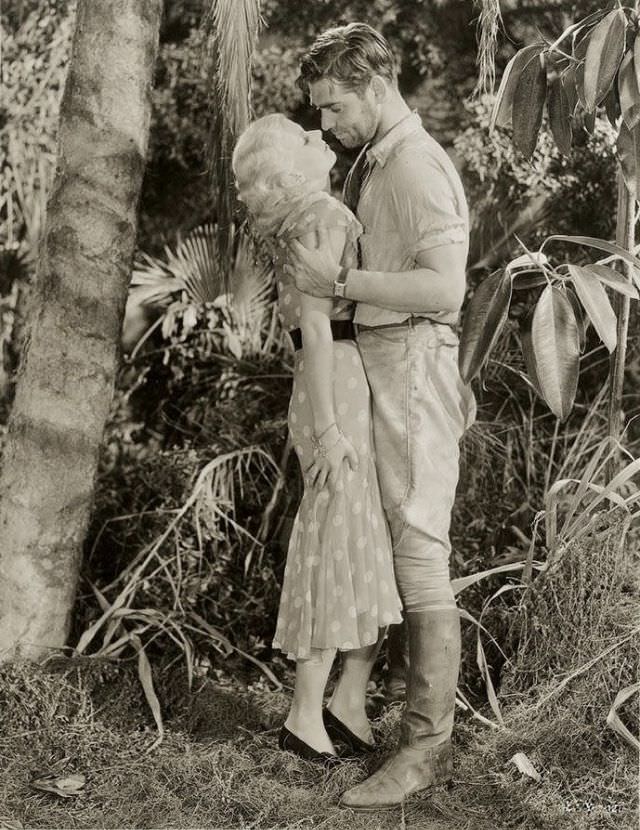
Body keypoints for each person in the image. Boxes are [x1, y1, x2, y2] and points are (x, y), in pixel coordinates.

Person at [286, 23, 477, 808]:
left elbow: (446, 290)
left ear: (374, 84)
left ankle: (421, 755)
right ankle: (384, 725)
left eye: (335, 106)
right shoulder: (382, 160)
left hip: (412, 365)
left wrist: (341, 281)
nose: (327, 125)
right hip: (389, 364)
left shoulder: (416, 167)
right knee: (401, 548)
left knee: (420, 554)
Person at [232, 114, 403, 764]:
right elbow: (317, 322)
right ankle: (307, 712)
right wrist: (331, 429)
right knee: (337, 535)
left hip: (322, 377)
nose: (318, 136)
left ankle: (344, 704)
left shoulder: (299, 220)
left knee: (350, 532)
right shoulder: (324, 215)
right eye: (304, 137)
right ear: (290, 172)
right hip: (334, 381)